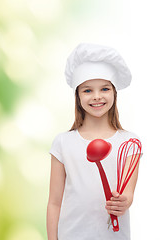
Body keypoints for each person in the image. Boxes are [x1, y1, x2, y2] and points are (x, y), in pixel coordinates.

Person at [46, 43, 143, 240]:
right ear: (77, 96)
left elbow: (128, 194)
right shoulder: (63, 143)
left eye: (105, 88)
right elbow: (54, 202)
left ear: (114, 93)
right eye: (87, 90)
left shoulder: (130, 143)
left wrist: (123, 202)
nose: (97, 96)